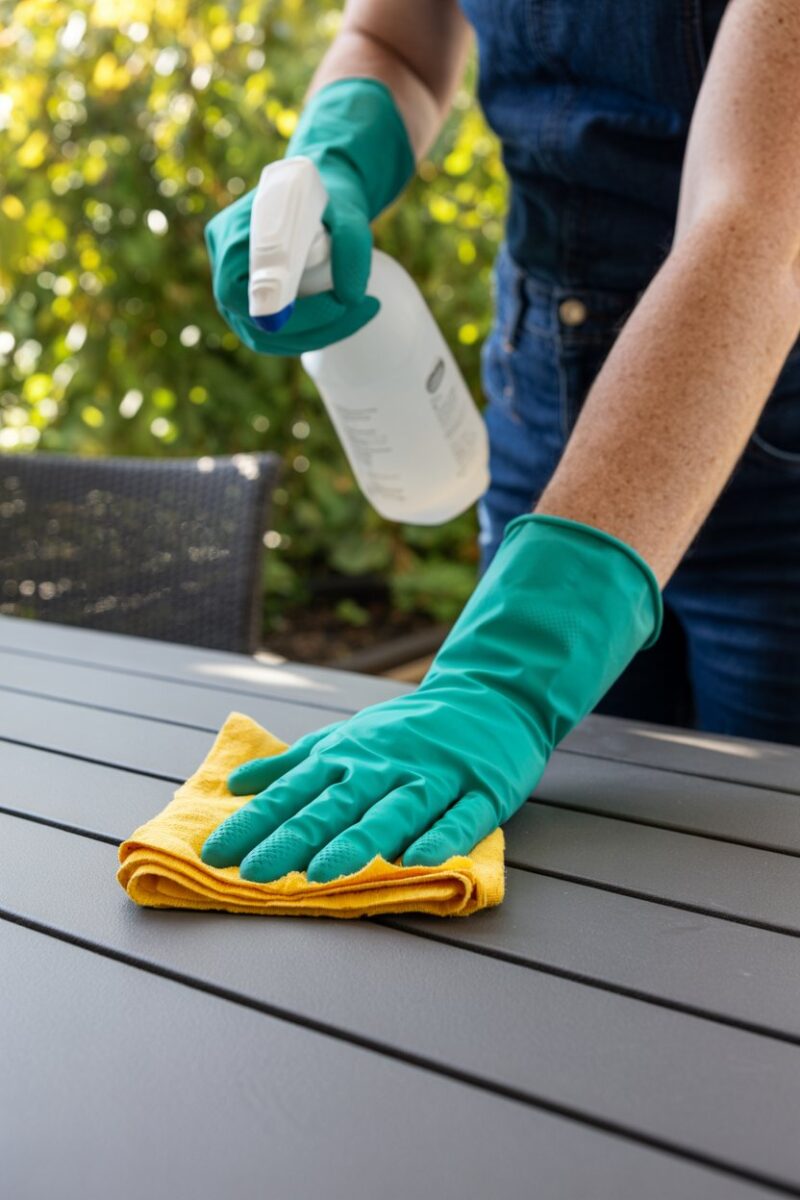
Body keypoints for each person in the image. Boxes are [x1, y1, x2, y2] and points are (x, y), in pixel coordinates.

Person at [200, 0, 800, 885]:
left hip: (775, 466)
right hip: (547, 440)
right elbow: (394, 42)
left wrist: (505, 675)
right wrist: (332, 159)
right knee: (547, 882)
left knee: (753, 895)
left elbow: (754, 226)